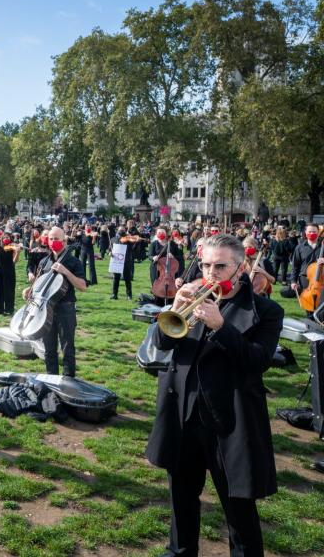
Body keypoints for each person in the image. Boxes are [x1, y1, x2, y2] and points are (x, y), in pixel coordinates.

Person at [146, 233, 282, 556]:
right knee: (181, 503)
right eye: (206, 265)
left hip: (229, 424)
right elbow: (160, 345)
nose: (210, 274)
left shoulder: (266, 311)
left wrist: (223, 327)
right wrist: (175, 307)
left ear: (241, 268)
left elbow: (257, 361)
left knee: (239, 515)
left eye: (220, 266)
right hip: (184, 416)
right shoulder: (192, 294)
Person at [23, 227, 86, 377]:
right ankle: (51, 380)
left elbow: (82, 286)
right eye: (51, 239)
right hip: (45, 311)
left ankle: (69, 381)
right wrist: (29, 290)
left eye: (57, 238)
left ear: (64, 240)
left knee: (67, 348)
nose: (53, 242)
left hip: (65, 309)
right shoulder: (44, 261)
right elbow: (39, 284)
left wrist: (65, 271)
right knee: (49, 349)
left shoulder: (73, 261)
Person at [291, 223, 323, 314]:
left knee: (321, 303)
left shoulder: (323, 245)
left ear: (318, 232)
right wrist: (293, 281)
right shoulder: (300, 247)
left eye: (314, 231)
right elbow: (295, 266)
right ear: (305, 232)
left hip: (321, 279)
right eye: (309, 231)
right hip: (305, 278)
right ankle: (310, 323)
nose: (312, 233)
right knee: (308, 302)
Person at [0, 231, 20, 315]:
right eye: (5, 237)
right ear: (2, 239)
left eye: (8, 237)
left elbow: (14, 261)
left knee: (9, 290)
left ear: (10, 238)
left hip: (9, 270)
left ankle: (9, 309)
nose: (6, 239)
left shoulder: (12, 247)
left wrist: (17, 252)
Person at [111, 225, 139, 300]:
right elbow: (110, 249)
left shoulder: (129, 240)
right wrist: (110, 253)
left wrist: (134, 240)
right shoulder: (113, 239)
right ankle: (114, 294)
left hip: (126, 261)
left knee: (127, 279)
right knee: (116, 278)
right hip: (116, 261)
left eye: (123, 230)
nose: (121, 231)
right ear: (117, 230)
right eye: (120, 230)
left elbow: (133, 248)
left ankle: (129, 295)